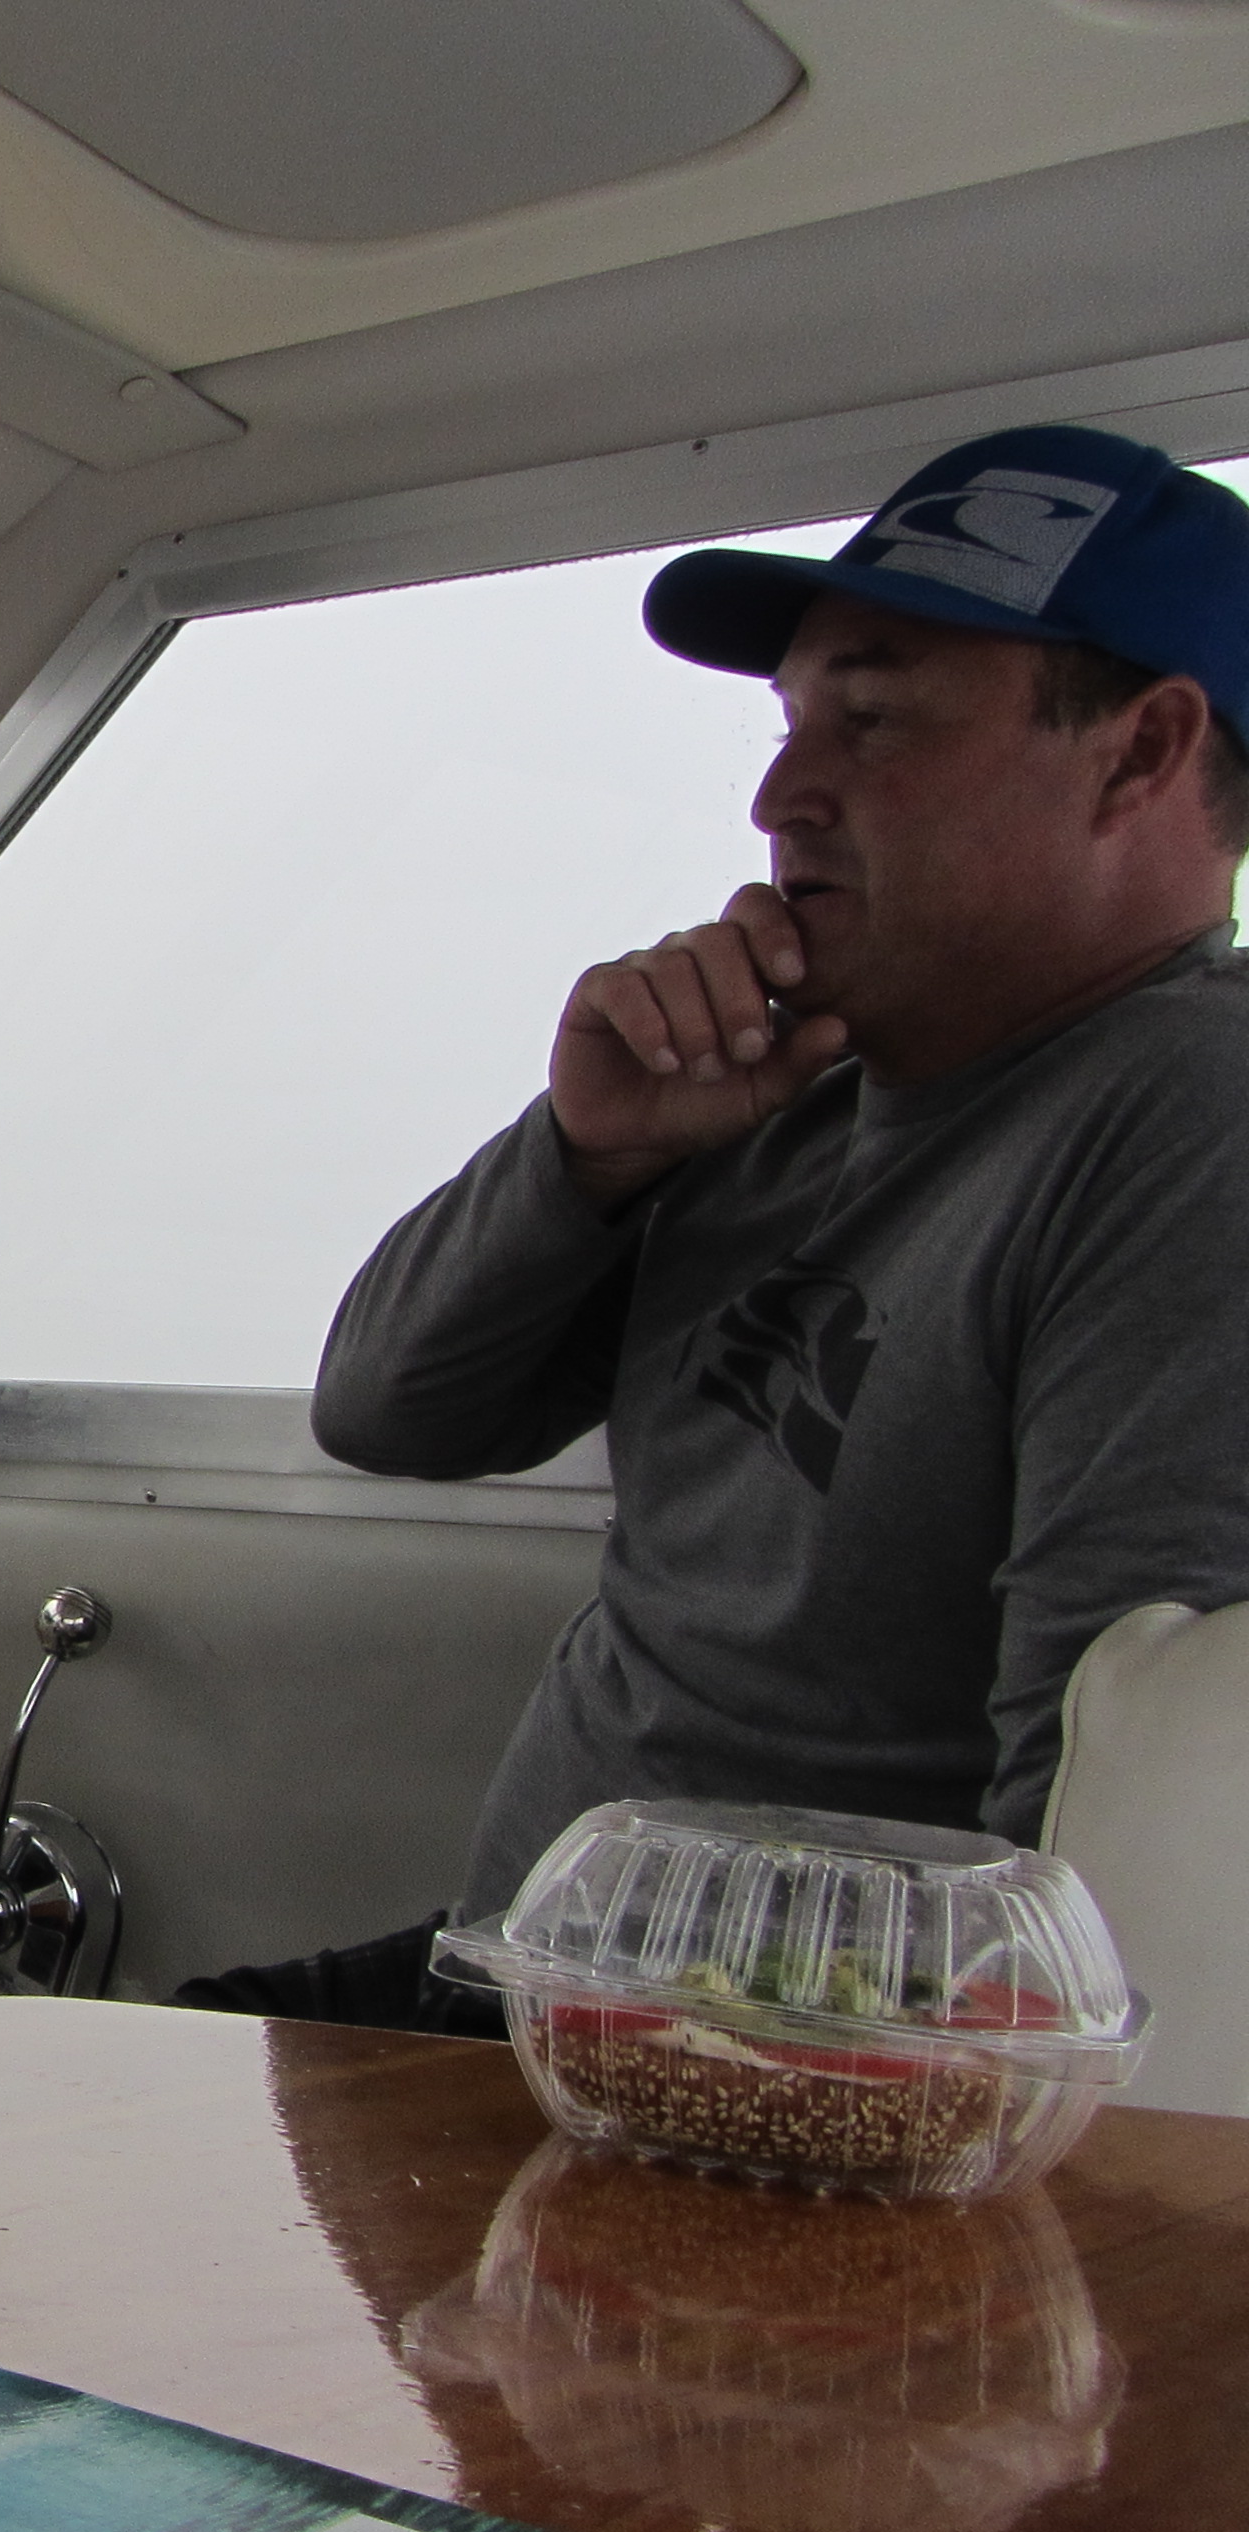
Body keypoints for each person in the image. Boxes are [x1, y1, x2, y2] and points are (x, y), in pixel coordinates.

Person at [216, 425, 1249, 2029]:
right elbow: (389, 1412)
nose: (779, 794)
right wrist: (589, 1154)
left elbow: (1098, 1835)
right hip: (516, 1982)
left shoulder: (1192, 1119)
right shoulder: (783, 1087)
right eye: (789, 724)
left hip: (763, 2065)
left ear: (1140, 754)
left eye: (872, 719)